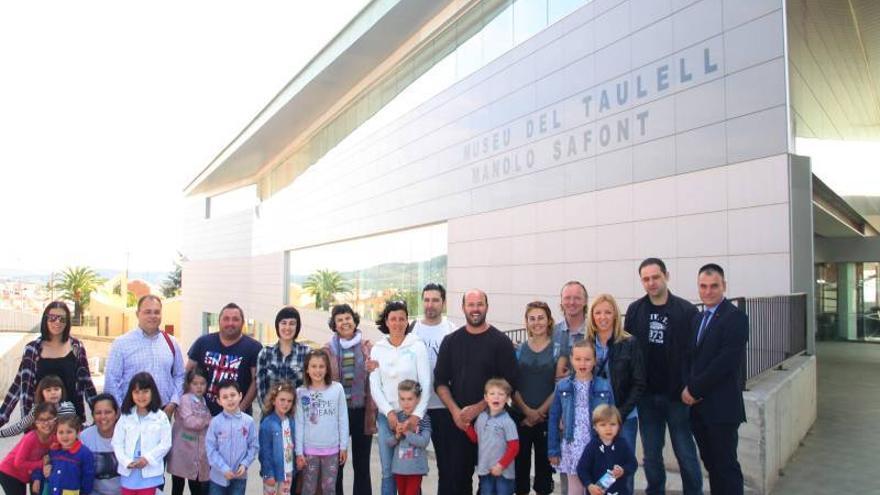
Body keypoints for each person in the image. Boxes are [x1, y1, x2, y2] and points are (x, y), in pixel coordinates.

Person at [625, 258, 702, 495]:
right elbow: (627, 352)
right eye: (646, 279)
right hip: (647, 396)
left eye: (655, 277)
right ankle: (655, 491)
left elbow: (696, 353)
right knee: (651, 455)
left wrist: (692, 386)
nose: (651, 282)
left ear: (666, 276)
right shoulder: (635, 310)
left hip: (677, 396)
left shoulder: (686, 311)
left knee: (685, 452)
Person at [434, 289, 519, 495]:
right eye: (470, 305)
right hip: (459, 425)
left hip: (493, 427)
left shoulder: (501, 342)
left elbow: (511, 383)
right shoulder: (451, 341)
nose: (475, 309)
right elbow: (440, 382)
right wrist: (456, 412)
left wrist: (480, 408)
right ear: (463, 308)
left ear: (487, 307)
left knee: (490, 483)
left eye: (479, 304)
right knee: (457, 482)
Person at [682, 264, 749, 495]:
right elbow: (693, 359)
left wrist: (693, 389)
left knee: (726, 467)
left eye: (714, 286)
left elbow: (725, 363)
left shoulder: (736, 318)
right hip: (700, 412)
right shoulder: (698, 318)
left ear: (724, 286)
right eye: (703, 286)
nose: (708, 291)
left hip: (722, 410)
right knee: (712, 466)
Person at [369, 300, 431, 495]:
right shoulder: (378, 348)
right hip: (387, 417)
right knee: (389, 471)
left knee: (411, 470)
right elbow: (375, 385)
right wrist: (388, 413)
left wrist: (416, 416)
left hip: (412, 416)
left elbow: (426, 383)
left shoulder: (417, 346)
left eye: (401, 319)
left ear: (407, 321)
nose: (397, 323)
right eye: (393, 319)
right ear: (386, 322)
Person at [0, 301, 96, 427]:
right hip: (40, 425)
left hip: (70, 424)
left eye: (62, 319)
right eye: (52, 318)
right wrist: (2, 417)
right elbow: (18, 385)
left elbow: (86, 382)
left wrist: (98, 412)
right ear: (45, 319)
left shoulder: (76, 347)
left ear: (67, 323)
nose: (57, 322)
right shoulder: (32, 349)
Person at [104, 295, 186, 418]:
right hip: (132, 415)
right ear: (137, 314)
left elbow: (180, 376)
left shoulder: (172, 343)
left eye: (156, 312)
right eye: (147, 312)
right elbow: (111, 381)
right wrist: (123, 411)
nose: (153, 316)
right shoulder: (121, 343)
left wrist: (173, 403)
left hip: (163, 414)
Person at [409, 283, 457, 495]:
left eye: (435, 300)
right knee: (411, 468)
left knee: (447, 465)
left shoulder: (452, 330)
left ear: (443, 303)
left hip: (443, 408)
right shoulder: (412, 330)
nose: (430, 304)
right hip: (415, 409)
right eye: (427, 300)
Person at [512, 301, 564, 495]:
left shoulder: (558, 350)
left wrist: (539, 412)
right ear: (526, 322)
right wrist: (526, 411)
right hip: (521, 418)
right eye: (532, 318)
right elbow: (512, 385)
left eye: (541, 318)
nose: (537, 322)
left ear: (549, 320)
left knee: (544, 472)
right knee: (520, 470)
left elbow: (559, 385)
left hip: (547, 419)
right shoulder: (518, 350)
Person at [324, 304, 375, 495]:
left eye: (348, 318)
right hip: (337, 415)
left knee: (362, 466)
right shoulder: (327, 350)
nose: (345, 322)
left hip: (362, 412)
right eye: (340, 319)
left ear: (354, 321)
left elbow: (377, 375)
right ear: (334, 325)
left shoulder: (368, 347)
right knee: (337, 465)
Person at [588, 294, 645, 453]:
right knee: (599, 469)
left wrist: (620, 414)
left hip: (624, 417)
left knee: (623, 469)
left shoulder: (630, 343)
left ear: (615, 315)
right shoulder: (588, 344)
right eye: (598, 313)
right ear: (592, 316)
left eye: (608, 312)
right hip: (595, 416)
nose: (602, 317)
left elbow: (639, 383)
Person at [187, 303, 263, 416]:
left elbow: (256, 382)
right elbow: (187, 372)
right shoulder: (203, 342)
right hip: (203, 415)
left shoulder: (253, 347)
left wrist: (239, 411)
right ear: (219, 321)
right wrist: (188, 404)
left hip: (237, 416)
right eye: (226, 319)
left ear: (242, 322)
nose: (230, 323)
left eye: (235, 319)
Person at [295, 350, 348, 495]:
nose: (317, 370)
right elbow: (299, 423)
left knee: (329, 489)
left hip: (332, 450)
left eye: (321, 366)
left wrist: (343, 446)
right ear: (307, 368)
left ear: (327, 369)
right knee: (308, 489)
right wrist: (299, 452)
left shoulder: (337, 389)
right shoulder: (301, 392)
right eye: (313, 366)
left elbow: (343, 419)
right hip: (309, 451)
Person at [112, 372, 173, 495]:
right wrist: (126, 461)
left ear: (152, 392)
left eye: (145, 391)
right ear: (131, 394)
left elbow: (166, 444)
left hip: (149, 475)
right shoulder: (125, 416)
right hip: (128, 474)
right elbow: (117, 442)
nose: (141, 396)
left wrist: (147, 459)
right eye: (136, 392)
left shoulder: (160, 417)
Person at [548, 340, 596, 495]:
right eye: (578, 359)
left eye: (587, 359)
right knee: (574, 489)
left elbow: (612, 419)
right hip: (572, 446)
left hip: (595, 446)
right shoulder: (563, 386)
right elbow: (554, 418)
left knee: (596, 487)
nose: (583, 363)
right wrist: (553, 450)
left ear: (595, 360)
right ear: (571, 360)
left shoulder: (603, 386)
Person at [466, 378, 520, 495]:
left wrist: (501, 465)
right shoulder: (481, 418)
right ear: (486, 397)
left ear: (507, 398)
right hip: (485, 469)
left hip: (504, 472)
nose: (496, 397)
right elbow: (476, 438)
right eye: (492, 394)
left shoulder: (508, 422)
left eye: (501, 394)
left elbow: (514, 447)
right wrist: (467, 427)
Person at [206, 380, 259, 495]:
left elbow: (253, 446)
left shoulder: (248, 422)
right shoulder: (215, 422)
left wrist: (245, 464)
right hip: (218, 477)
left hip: (239, 476)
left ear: (240, 396)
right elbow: (211, 450)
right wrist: (223, 468)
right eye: (225, 397)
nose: (230, 399)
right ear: (219, 401)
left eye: (233, 395)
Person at [168, 367, 212, 495]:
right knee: (177, 485)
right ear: (189, 384)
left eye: (202, 383)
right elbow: (189, 421)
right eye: (195, 384)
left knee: (196, 485)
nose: (199, 387)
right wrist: (207, 421)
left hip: (196, 454)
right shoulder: (184, 399)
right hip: (181, 451)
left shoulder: (204, 401)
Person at [575, 405, 638, 495]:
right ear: (595, 427)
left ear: (619, 426)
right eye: (603, 425)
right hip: (597, 492)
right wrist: (589, 485)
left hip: (620, 491)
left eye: (612, 424)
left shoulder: (622, 444)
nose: (608, 428)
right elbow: (582, 469)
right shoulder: (592, 446)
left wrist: (623, 470)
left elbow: (633, 464)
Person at [256, 306, 311, 405]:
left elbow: (310, 387)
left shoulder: (306, 352)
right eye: (283, 323)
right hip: (271, 414)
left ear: (297, 327)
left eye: (292, 323)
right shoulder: (265, 353)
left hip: (298, 414)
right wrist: (269, 413)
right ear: (277, 326)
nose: (287, 327)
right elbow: (261, 389)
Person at [386, 380, 431, 495]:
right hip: (399, 469)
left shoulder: (423, 419)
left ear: (418, 399)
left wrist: (407, 433)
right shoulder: (398, 417)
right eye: (402, 399)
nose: (406, 403)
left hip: (416, 470)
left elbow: (424, 442)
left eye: (410, 399)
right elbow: (389, 443)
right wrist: (397, 436)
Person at [0, 402, 57, 495]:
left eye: (50, 419)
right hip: (9, 472)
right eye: (42, 420)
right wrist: (41, 464)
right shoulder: (30, 438)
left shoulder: (54, 438)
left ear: (55, 419)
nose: (46, 423)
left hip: (26, 474)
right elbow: (18, 463)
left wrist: (37, 478)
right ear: (35, 422)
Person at [1, 375, 75, 437]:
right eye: (48, 390)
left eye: (56, 389)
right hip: (44, 444)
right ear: (41, 393)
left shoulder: (68, 407)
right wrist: (1, 434)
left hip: (64, 444)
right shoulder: (37, 409)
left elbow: (74, 427)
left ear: (62, 391)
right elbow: (21, 426)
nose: (53, 393)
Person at [37, 415, 95, 495]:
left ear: (78, 432)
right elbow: (44, 468)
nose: (65, 436)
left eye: (69, 432)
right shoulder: (53, 451)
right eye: (61, 432)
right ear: (56, 433)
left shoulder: (84, 453)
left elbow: (88, 478)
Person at [259, 380, 297, 495]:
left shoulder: (290, 421)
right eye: (282, 400)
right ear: (274, 400)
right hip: (273, 474)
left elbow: (292, 444)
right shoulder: (267, 423)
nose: (286, 404)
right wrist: (268, 474)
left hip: (288, 472)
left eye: (289, 401)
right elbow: (265, 452)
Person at [80, 394, 121, 495]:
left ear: (116, 414)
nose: (103, 417)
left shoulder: (127, 434)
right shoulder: (85, 437)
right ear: (93, 416)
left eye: (108, 412)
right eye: (98, 413)